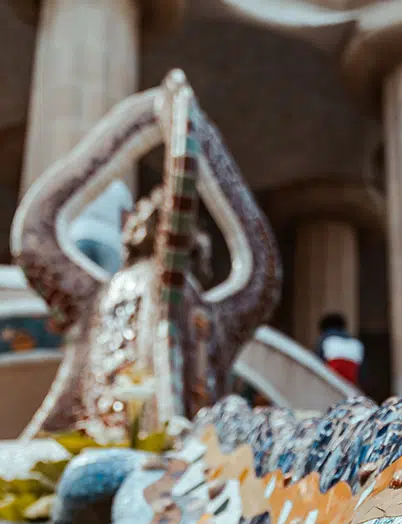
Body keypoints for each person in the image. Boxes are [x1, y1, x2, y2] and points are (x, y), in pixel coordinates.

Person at [12, 69, 280, 442]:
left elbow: (36, 232)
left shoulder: (203, 315)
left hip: (158, 455)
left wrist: (172, 126)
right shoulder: (100, 297)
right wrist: (164, 123)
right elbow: (35, 236)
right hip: (130, 449)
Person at [316, 312, 364, 385]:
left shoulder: (326, 339)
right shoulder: (356, 343)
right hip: (349, 384)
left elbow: (317, 363)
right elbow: (362, 373)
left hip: (332, 382)